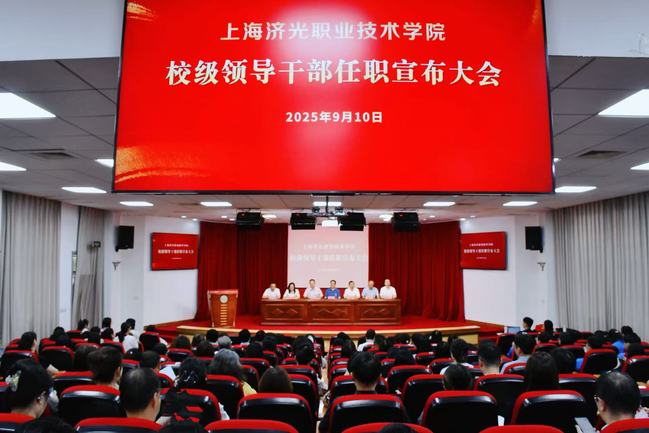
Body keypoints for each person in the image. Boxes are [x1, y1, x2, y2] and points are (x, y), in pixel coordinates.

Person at [319, 351, 380, 433]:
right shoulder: (394, 402)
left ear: (352, 376)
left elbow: (322, 428)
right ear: (379, 377)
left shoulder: (338, 403)